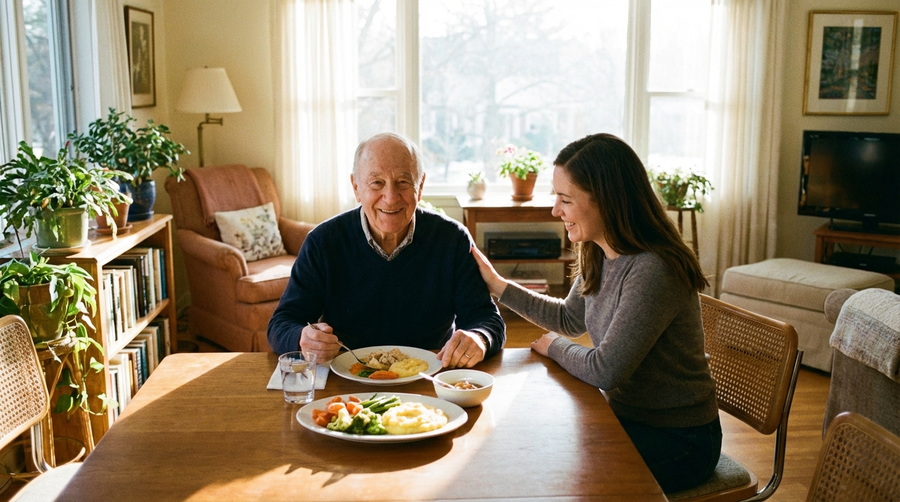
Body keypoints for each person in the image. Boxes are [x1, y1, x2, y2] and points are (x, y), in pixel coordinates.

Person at [471, 133, 720, 493]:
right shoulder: (600, 252)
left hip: (680, 438)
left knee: (558, 475)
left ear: (606, 200)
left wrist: (554, 347)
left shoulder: (654, 269)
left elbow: (606, 369)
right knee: (533, 449)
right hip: (627, 417)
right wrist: (497, 285)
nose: (556, 211)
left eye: (565, 199)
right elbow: (569, 319)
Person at [268, 132, 505, 368]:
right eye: (376, 183)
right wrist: (302, 338)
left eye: (403, 182)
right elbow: (281, 323)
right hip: (348, 376)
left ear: (420, 186)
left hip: (430, 373)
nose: (390, 198)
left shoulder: (452, 239)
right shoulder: (323, 242)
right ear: (356, 187)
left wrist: (479, 338)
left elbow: (486, 319)